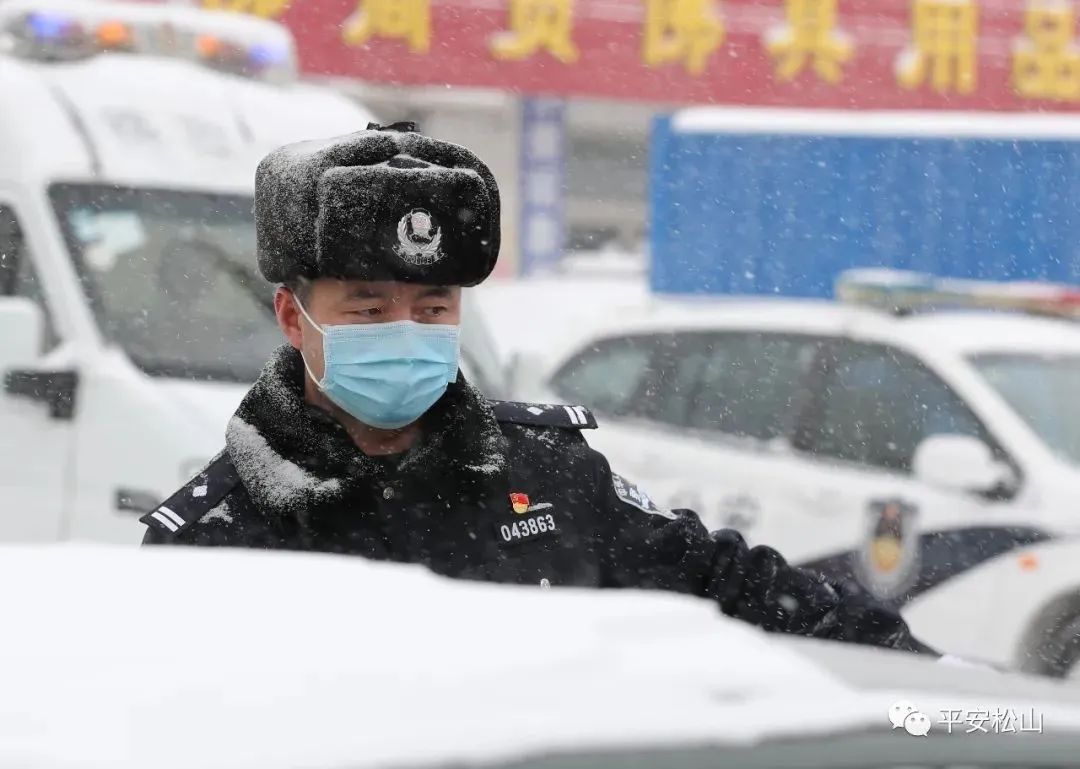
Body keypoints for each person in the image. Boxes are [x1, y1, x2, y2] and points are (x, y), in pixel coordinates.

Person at [141, 122, 934, 655]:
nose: (406, 332)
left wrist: (919, 671)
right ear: (293, 316)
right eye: (370, 309)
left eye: (433, 308)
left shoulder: (547, 473)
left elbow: (727, 582)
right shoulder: (215, 537)